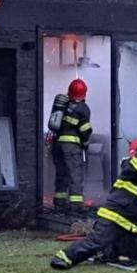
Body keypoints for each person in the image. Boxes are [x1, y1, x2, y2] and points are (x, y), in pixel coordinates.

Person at [50, 137, 137, 270]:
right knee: (96, 242)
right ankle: (64, 257)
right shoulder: (130, 166)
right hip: (114, 218)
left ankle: (112, 253)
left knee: (129, 255)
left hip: (130, 225)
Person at [52, 78, 92, 214]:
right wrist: (86, 143)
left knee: (61, 174)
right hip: (71, 147)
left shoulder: (63, 106)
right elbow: (85, 129)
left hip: (58, 145)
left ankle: (60, 204)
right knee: (75, 174)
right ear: (84, 93)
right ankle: (76, 205)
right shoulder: (83, 109)